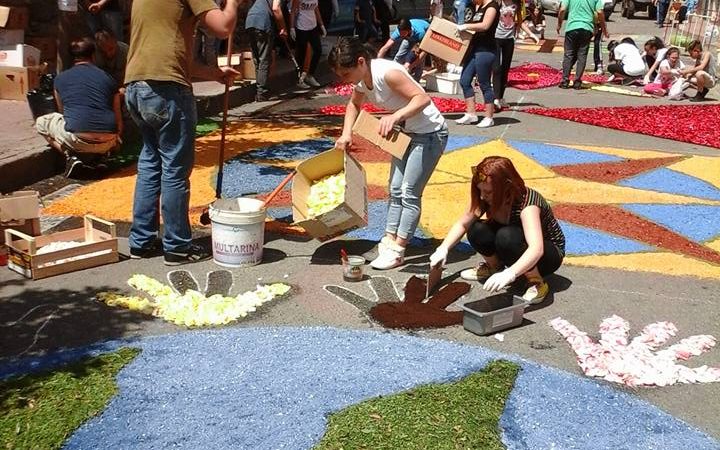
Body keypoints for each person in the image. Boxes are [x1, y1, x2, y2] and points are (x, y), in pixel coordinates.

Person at [124, 0, 241, 265]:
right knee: (175, 169)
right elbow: (223, 27)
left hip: (136, 87)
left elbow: (172, 52)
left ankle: (141, 242)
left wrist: (213, 73)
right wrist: (233, 4)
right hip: (167, 91)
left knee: (151, 163)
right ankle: (177, 246)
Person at [329, 37, 448, 270]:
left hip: (430, 134)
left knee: (409, 192)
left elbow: (423, 98)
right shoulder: (363, 79)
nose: (344, 80)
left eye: (345, 74)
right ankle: (389, 238)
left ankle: (398, 249)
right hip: (406, 135)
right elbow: (353, 104)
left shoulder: (388, 73)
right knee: (394, 189)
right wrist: (346, 134)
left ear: (361, 62)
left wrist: (395, 116)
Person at [429, 156, 565, 303]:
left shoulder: (528, 204)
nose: (482, 196)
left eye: (488, 192)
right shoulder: (486, 198)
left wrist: (511, 273)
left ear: (506, 187)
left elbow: (536, 249)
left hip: (547, 255)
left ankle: (536, 282)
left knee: (506, 236)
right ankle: (494, 267)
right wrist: (443, 248)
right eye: (480, 190)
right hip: (514, 244)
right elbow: (463, 224)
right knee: (477, 229)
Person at [36, 37, 121, 177]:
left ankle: (70, 155)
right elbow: (118, 117)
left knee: (41, 123)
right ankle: (102, 156)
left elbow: (63, 112)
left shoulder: (60, 79)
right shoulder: (108, 78)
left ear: (72, 57)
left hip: (77, 139)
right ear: (94, 55)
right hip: (109, 140)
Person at [454, 0, 500, 128]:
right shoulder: (479, 7)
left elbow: (485, 25)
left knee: (484, 83)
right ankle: (471, 114)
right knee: (464, 80)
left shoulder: (492, 6)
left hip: (486, 49)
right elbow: (475, 25)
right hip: (475, 48)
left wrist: (466, 26)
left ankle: (489, 117)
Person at [556, 0, 608, 89]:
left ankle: (565, 80)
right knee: (582, 55)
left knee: (568, 54)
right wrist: (604, 29)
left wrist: (559, 24)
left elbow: (562, 9)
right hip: (587, 28)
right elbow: (600, 12)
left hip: (572, 27)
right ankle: (577, 81)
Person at [493, 0, 533, 111]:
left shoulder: (516, 4)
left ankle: (500, 97)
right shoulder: (497, 3)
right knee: (496, 69)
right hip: (496, 38)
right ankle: (495, 99)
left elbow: (520, 22)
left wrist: (531, 34)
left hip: (509, 40)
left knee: (505, 68)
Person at [246, 0, 288, 102]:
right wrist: (283, 28)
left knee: (257, 59)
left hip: (250, 21)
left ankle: (259, 89)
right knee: (264, 59)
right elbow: (275, 8)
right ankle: (262, 92)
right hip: (263, 22)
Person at [290, 0, 327, 89]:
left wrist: (321, 25)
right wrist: (292, 27)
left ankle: (309, 75)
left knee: (318, 50)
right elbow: (293, 11)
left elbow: (316, 9)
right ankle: (299, 78)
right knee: (301, 53)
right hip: (301, 27)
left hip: (313, 27)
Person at [591, 0, 613, 74]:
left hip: (597, 22)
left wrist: (603, 28)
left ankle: (599, 65)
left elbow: (600, 13)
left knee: (597, 42)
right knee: (581, 43)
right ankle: (570, 64)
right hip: (586, 21)